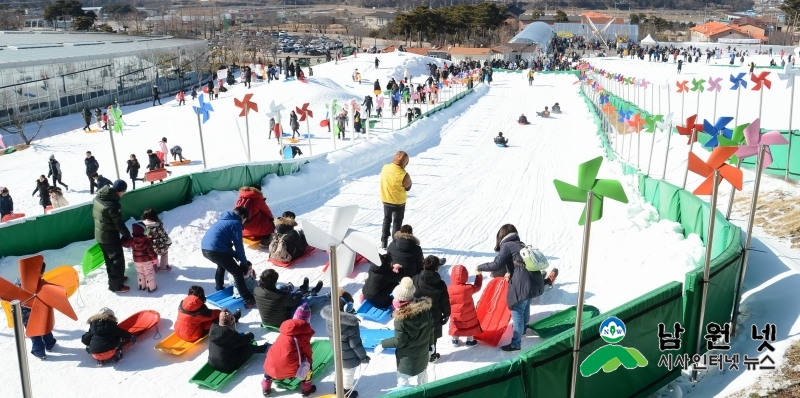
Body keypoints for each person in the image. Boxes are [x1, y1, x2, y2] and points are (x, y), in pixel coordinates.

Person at [476, 224, 556, 351]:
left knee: (517, 310)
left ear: (501, 236)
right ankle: (523, 329)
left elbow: (497, 264)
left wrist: (480, 267)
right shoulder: (521, 244)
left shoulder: (507, 245)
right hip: (534, 282)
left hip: (523, 283)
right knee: (525, 305)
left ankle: (516, 343)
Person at [374, 277, 433, 388]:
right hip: (422, 353)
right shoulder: (425, 310)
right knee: (423, 375)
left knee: (402, 379)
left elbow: (399, 341)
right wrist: (431, 343)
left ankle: (404, 394)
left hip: (407, 357)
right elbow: (431, 328)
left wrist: (383, 344)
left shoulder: (401, 320)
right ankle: (425, 392)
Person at [201, 207, 255, 308]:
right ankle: (247, 298)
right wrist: (244, 263)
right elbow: (238, 245)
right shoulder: (236, 223)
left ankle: (219, 287)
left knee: (221, 265)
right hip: (216, 250)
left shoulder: (224, 220)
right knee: (237, 272)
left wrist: (235, 256)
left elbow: (224, 245)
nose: (244, 222)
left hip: (206, 248)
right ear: (243, 216)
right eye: (245, 220)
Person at [320, 290, 369, 398]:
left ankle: (337, 389)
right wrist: (363, 357)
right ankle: (346, 392)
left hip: (338, 352)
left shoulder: (329, 318)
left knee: (339, 370)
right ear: (348, 307)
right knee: (348, 373)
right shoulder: (351, 324)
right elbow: (355, 344)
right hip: (349, 356)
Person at [262, 303, 317, 397]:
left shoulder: (285, 331)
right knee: (308, 365)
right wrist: (309, 362)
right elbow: (307, 353)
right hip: (289, 369)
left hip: (270, 366)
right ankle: (307, 389)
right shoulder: (302, 336)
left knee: (271, 361)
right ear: (307, 320)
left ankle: (266, 388)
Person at [93, 180, 131, 293]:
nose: (124, 194)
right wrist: (127, 235)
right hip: (109, 237)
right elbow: (119, 224)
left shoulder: (100, 197)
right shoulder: (113, 205)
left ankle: (116, 279)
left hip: (100, 234)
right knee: (116, 261)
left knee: (109, 260)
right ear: (119, 192)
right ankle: (116, 286)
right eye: (124, 192)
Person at [412, 255, 450, 362]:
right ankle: (431, 355)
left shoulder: (415, 278)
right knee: (432, 336)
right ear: (437, 268)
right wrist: (446, 314)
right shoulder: (441, 285)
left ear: (424, 266)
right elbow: (444, 302)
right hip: (434, 315)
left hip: (417, 312)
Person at [254, 269, 322, 328]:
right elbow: (293, 303)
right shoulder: (280, 296)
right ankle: (326, 296)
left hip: (266, 320)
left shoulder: (256, 289)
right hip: (283, 320)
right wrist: (299, 294)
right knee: (310, 299)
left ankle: (297, 288)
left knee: (280, 287)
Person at [379, 151, 412, 249]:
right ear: (404, 163)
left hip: (386, 199)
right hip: (399, 203)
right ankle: (394, 243)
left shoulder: (385, 167)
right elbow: (408, 187)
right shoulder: (404, 174)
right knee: (397, 223)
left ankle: (384, 242)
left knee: (386, 220)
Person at [447, 264, 482, 347]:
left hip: (455, 314)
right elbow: (478, 286)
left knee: (456, 325)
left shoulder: (449, 289)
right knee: (470, 325)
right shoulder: (468, 288)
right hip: (468, 314)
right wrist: (479, 276)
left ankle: (455, 339)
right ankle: (470, 340)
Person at [131, 222, 158, 292]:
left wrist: (124, 238)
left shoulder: (132, 240)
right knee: (149, 273)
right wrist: (155, 259)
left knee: (140, 273)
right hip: (146, 261)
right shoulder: (146, 241)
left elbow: (124, 243)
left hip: (137, 261)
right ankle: (151, 287)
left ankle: (141, 286)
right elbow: (150, 252)